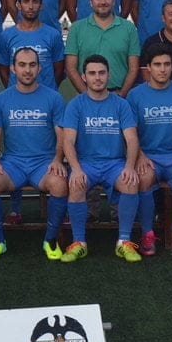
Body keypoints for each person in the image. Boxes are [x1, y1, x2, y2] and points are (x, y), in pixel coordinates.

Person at [0, 47, 69, 261]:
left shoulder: (54, 98)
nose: (27, 70)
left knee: (59, 183)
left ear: (39, 68)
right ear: (13, 68)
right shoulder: (1, 99)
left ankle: (50, 239)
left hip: (44, 163)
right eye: (22, 65)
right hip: (13, 164)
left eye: (31, 65)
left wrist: (58, 160)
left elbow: (61, 135)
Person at [60, 55, 142, 263]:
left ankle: (124, 242)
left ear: (108, 75)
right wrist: (76, 169)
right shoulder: (76, 105)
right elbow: (68, 141)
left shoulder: (120, 105)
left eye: (101, 73)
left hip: (114, 163)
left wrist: (130, 167)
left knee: (130, 182)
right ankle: (79, 242)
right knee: (76, 184)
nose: (97, 78)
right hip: (86, 162)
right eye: (92, 73)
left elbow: (132, 139)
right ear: (83, 77)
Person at [127, 43, 172, 256]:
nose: (162, 69)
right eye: (157, 64)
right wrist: (139, 156)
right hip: (148, 156)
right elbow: (131, 133)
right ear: (147, 67)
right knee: (142, 178)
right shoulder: (135, 95)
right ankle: (148, 234)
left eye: (166, 64)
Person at [64, 0, 139, 96]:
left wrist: (122, 94)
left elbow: (133, 68)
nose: (103, 2)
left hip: (119, 96)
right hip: (86, 97)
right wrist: (87, 95)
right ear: (91, 2)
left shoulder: (129, 28)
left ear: (114, 1)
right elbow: (71, 68)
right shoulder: (76, 28)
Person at [0, 0, 65, 90]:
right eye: (26, 2)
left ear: (41, 5)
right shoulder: (7, 35)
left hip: (45, 96)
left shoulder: (53, 35)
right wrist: (15, 89)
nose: (31, 6)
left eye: (35, 2)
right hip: (17, 96)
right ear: (18, 5)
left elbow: (59, 69)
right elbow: (4, 69)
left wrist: (48, 90)